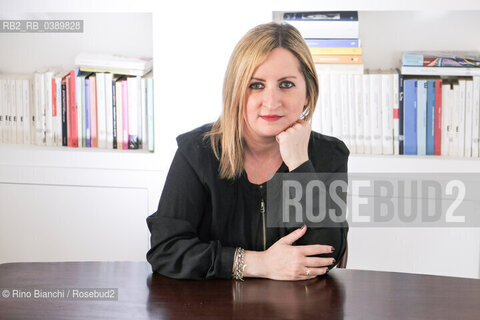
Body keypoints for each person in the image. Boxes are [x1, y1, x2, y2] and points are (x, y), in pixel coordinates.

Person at [146, 22, 349, 280]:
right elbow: (166, 250)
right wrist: (259, 264)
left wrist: (300, 164)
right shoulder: (196, 152)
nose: (272, 101)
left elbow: (325, 256)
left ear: (308, 94)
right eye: (256, 85)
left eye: (286, 84)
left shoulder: (329, 154)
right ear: (236, 92)